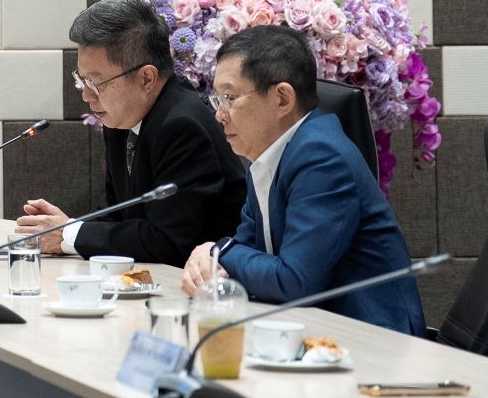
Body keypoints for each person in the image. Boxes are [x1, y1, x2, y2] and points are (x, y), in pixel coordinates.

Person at [180, 25, 425, 335]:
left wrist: (219, 251)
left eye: (230, 98)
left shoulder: (321, 157)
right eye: (218, 100)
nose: (219, 114)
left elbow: (295, 281)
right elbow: (248, 248)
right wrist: (213, 261)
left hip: (374, 337)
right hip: (318, 328)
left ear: (283, 99)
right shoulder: (270, 151)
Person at [14, 0, 246, 265]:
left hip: (208, 281)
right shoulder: (125, 117)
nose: (86, 95)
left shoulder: (182, 126)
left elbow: (167, 241)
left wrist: (70, 235)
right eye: (82, 79)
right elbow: (117, 213)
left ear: (146, 78)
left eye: (96, 82)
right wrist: (62, 229)